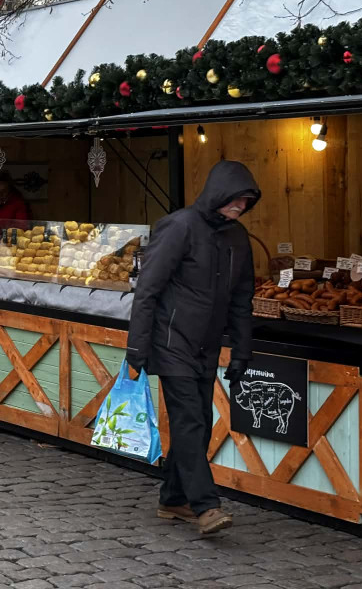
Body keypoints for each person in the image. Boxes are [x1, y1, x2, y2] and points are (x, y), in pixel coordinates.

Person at [125, 159, 260, 535]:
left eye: (246, 202)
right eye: (236, 200)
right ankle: (206, 506)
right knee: (190, 421)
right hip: (171, 342)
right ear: (219, 193)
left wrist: (242, 350)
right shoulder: (179, 226)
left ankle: (173, 499)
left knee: (198, 427)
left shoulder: (238, 237)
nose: (240, 207)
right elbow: (147, 290)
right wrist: (137, 347)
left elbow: (241, 298)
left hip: (207, 345)